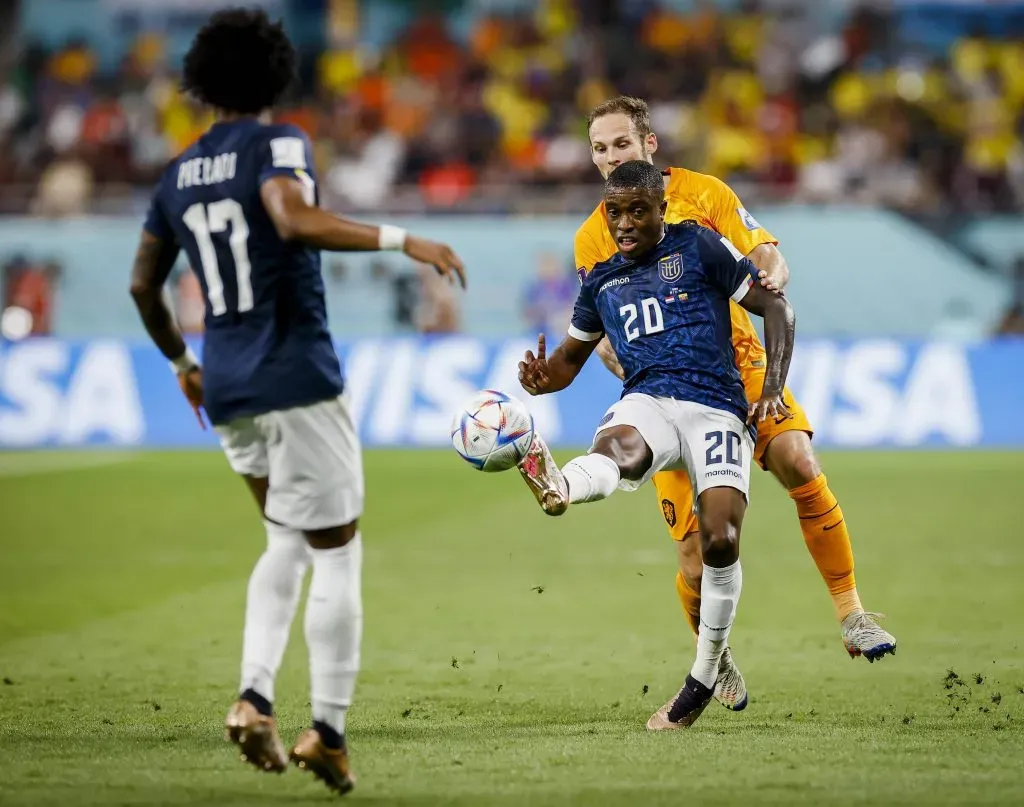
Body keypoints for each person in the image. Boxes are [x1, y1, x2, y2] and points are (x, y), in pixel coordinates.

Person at [128, 8, 465, 794]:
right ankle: (331, 729)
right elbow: (291, 217)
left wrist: (183, 360)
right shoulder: (278, 142)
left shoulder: (176, 174)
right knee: (336, 549)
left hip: (229, 381)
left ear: (202, 82)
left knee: (283, 535)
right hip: (296, 375)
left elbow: (143, 283)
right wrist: (401, 239)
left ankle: (253, 698)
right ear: (275, 75)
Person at [573, 97, 895, 717]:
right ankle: (712, 659)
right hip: (664, 388)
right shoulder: (592, 236)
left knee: (797, 458)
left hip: (741, 364)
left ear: (650, 144)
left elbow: (765, 254)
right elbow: (605, 334)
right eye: (599, 147)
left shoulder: (705, 194)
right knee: (695, 555)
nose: (610, 156)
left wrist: (768, 277)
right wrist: (628, 365)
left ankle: (852, 613)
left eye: (620, 143)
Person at [517, 160, 794, 730]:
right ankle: (560, 485)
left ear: (661, 210)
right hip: (650, 402)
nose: (623, 224)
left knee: (720, 539)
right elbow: (567, 362)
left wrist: (771, 391)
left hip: (717, 408)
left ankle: (701, 679)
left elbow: (776, 308)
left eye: (636, 211)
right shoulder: (600, 282)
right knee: (620, 446)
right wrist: (542, 378)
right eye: (614, 212)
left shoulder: (699, 247)